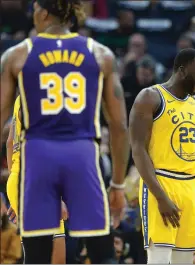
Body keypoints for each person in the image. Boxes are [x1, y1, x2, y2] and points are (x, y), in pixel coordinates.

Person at [0, 0, 129, 263]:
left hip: (37, 157)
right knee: (102, 253)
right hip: (81, 154)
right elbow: (119, 126)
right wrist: (117, 183)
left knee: (36, 256)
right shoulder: (100, 53)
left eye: (35, 9)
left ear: (43, 12)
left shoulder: (17, 55)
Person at [129, 48, 195, 264]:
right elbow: (138, 149)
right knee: (159, 260)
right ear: (182, 71)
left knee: (184, 262)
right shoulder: (150, 97)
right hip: (162, 181)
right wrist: (161, 196)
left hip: (192, 187)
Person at [6, 96, 67, 263]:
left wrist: (16, 189)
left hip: (21, 178)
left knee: (36, 256)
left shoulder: (21, 97)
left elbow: (10, 143)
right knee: (53, 259)